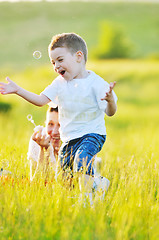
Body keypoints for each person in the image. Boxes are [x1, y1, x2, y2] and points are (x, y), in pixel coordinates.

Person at [0, 32, 117, 202]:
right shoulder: (59, 84)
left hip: (92, 134)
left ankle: (85, 200)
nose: (56, 66)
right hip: (70, 138)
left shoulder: (96, 83)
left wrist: (110, 100)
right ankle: (97, 185)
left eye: (60, 60)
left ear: (78, 56)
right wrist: (18, 90)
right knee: (62, 178)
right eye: (53, 62)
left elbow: (110, 112)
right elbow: (40, 101)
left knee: (82, 159)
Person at [27, 106, 60, 181]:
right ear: (45, 124)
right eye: (51, 124)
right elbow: (36, 186)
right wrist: (44, 150)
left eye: (60, 125)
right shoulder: (37, 141)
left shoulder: (76, 142)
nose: (55, 132)